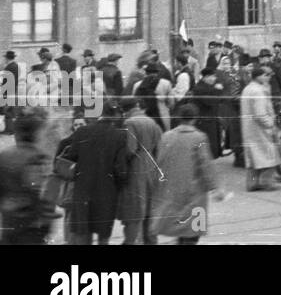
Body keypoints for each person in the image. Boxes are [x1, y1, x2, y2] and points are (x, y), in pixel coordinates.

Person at [151, 104, 219, 244]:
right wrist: (214, 187)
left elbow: (159, 161)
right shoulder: (199, 137)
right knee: (193, 230)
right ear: (195, 118)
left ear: (179, 117)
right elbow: (205, 163)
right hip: (194, 190)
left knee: (179, 226)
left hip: (172, 188)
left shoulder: (167, 136)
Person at [61, 108, 130, 245]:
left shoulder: (82, 131)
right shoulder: (120, 136)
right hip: (107, 191)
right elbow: (120, 169)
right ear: (115, 117)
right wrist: (121, 185)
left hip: (82, 189)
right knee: (103, 233)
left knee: (82, 230)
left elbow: (71, 157)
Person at [0, 113, 57, 244]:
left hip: (8, 224)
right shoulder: (36, 158)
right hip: (30, 228)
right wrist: (46, 224)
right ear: (35, 134)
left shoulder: (4, 155)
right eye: (42, 132)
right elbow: (39, 194)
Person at [118, 97, 162, 245]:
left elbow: (130, 149)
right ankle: (151, 241)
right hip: (152, 166)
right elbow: (160, 146)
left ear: (125, 110)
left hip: (136, 169)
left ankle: (132, 241)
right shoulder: (151, 121)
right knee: (150, 208)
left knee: (135, 210)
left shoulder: (129, 123)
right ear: (136, 105)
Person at [240, 67, 281, 192]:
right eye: (265, 75)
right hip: (260, 128)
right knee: (268, 154)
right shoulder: (258, 91)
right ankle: (267, 182)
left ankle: (252, 183)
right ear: (258, 76)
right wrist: (270, 125)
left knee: (253, 157)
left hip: (248, 127)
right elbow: (260, 114)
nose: (267, 77)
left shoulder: (247, 89)